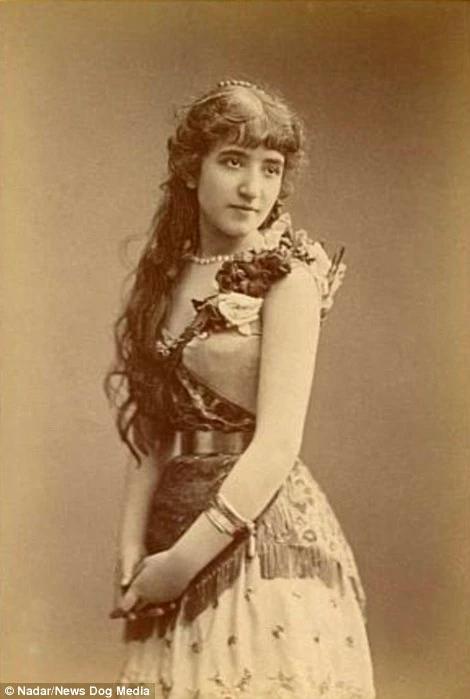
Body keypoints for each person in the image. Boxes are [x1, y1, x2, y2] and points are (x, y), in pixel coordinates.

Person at [105, 79, 375, 698]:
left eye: (270, 168)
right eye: (233, 161)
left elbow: (277, 446)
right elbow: (152, 431)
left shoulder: (289, 281)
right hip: (171, 529)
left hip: (260, 537)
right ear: (190, 168)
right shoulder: (164, 279)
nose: (253, 188)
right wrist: (130, 545)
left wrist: (180, 565)